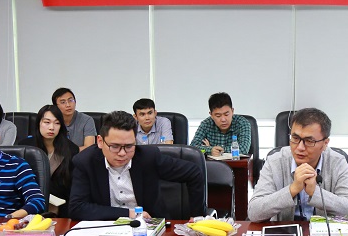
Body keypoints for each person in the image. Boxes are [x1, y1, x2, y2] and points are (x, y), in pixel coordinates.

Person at [69, 110, 205, 221]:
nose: (122, 153)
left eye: (129, 146)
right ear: (100, 141)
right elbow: (77, 208)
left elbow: (194, 172)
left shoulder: (148, 157)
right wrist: (128, 214)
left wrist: (197, 216)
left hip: (149, 228)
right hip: (105, 229)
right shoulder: (85, 162)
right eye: (115, 146)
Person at [248, 108, 348, 222]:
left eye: (309, 141)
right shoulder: (275, 161)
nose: (300, 147)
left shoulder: (337, 162)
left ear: (325, 143)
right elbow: (254, 212)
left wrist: (315, 193)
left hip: (325, 232)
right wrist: (292, 189)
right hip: (285, 231)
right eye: (295, 138)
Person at [20, 105, 79, 217]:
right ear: (38, 123)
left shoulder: (71, 149)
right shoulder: (25, 147)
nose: (51, 127)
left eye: (57, 123)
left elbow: (73, 186)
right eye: (47, 122)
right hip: (29, 204)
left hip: (61, 208)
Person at [190, 92, 251, 157]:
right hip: (212, 163)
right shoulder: (206, 124)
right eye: (218, 116)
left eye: (226, 114)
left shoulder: (242, 123)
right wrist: (210, 150)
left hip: (237, 162)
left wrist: (213, 149)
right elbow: (193, 148)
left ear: (232, 111)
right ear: (211, 115)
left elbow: (244, 149)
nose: (223, 119)